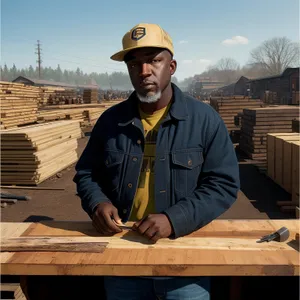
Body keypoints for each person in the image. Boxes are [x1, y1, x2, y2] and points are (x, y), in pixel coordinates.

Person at [74, 23, 240, 300]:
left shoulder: (204, 120)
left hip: (185, 266)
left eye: (154, 60)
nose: (144, 72)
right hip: (122, 263)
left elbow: (223, 184)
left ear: (171, 66)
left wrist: (175, 219)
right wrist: (97, 203)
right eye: (134, 64)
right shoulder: (110, 121)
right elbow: (87, 173)